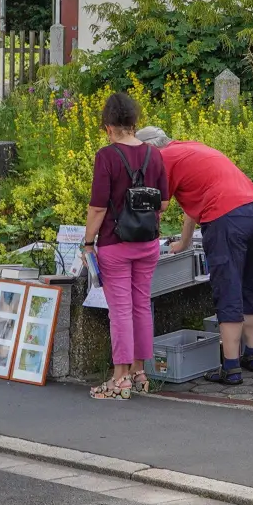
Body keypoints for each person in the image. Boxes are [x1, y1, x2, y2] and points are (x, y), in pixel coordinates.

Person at [138, 126, 253, 385]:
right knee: (247, 282)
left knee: (227, 287)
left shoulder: (162, 160)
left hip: (227, 219)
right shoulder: (190, 148)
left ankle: (231, 368)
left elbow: (159, 205)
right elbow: (193, 202)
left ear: (149, 151)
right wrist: (185, 242)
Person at [83, 93, 170, 400]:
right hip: (148, 244)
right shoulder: (154, 155)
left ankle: (119, 379)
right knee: (141, 305)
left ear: (108, 126)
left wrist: (88, 242)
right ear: (134, 122)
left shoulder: (106, 156)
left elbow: (97, 208)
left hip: (114, 244)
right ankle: (139, 372)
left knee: (119, 311)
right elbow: (164, 201)